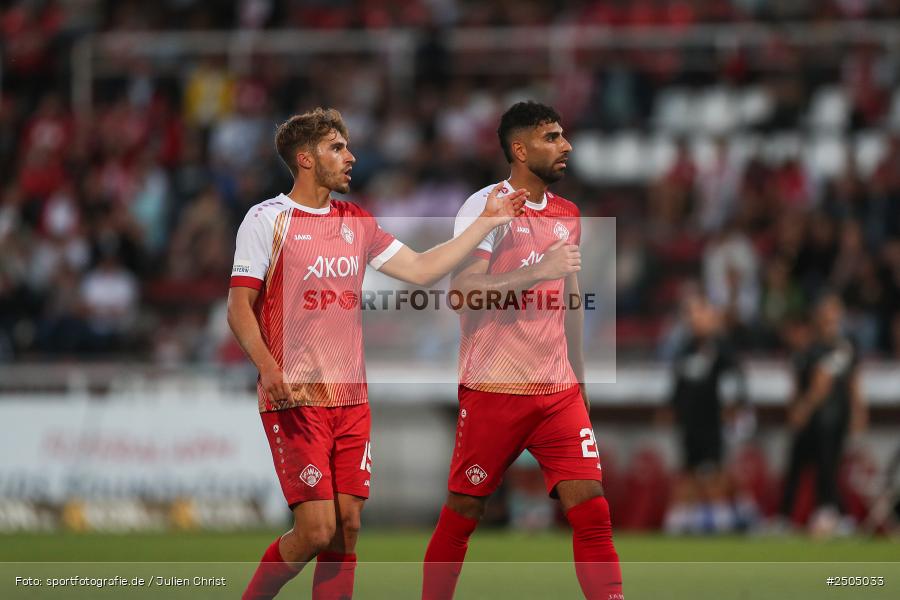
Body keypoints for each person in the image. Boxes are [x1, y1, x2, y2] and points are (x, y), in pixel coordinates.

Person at [227, 107, 527, 600]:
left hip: (351, 400)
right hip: (295, 395)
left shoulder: (357, 220)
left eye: (347, 146)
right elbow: (240, 306)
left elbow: (423, 268)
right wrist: (267, 367)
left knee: (346, 528)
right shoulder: (267, 220)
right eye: (337, 148)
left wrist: (486, 223)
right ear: (305, 158)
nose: (351, 157)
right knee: (316, 531)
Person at [422, 101, 622, 600]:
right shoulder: (486, 207)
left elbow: (570, 300)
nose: (566, 145)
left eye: (563, 135)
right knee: (464, 514)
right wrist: (535, 271)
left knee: (592, 508)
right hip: (494, 388)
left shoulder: (567, 214)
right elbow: (462, 290)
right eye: (552, 137)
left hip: (557, 393)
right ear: (519, 148)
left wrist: (580, 380)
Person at [778, 294, 867, 536]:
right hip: (813, 420)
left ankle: (832, 515)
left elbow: (832, 384)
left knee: (827, 467)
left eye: (834, 311)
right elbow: (799, 382)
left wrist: (858, 414)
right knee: (799, 466)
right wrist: (796, 409)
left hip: (831, 417)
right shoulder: (810, 348)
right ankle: (787, 516)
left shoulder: (843, 347)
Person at [664, 292, 749, 534]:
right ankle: (679, 522)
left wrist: (732, 408)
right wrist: (672, 408)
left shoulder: (722, 349)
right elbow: (678, 385)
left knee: (714, 473)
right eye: (691, 315)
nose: (694, 319)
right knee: (688, 471)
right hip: (690, 423)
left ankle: (722, 520)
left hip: (714, 422)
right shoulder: (686, 349)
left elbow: (734, 381)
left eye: (699, 314)